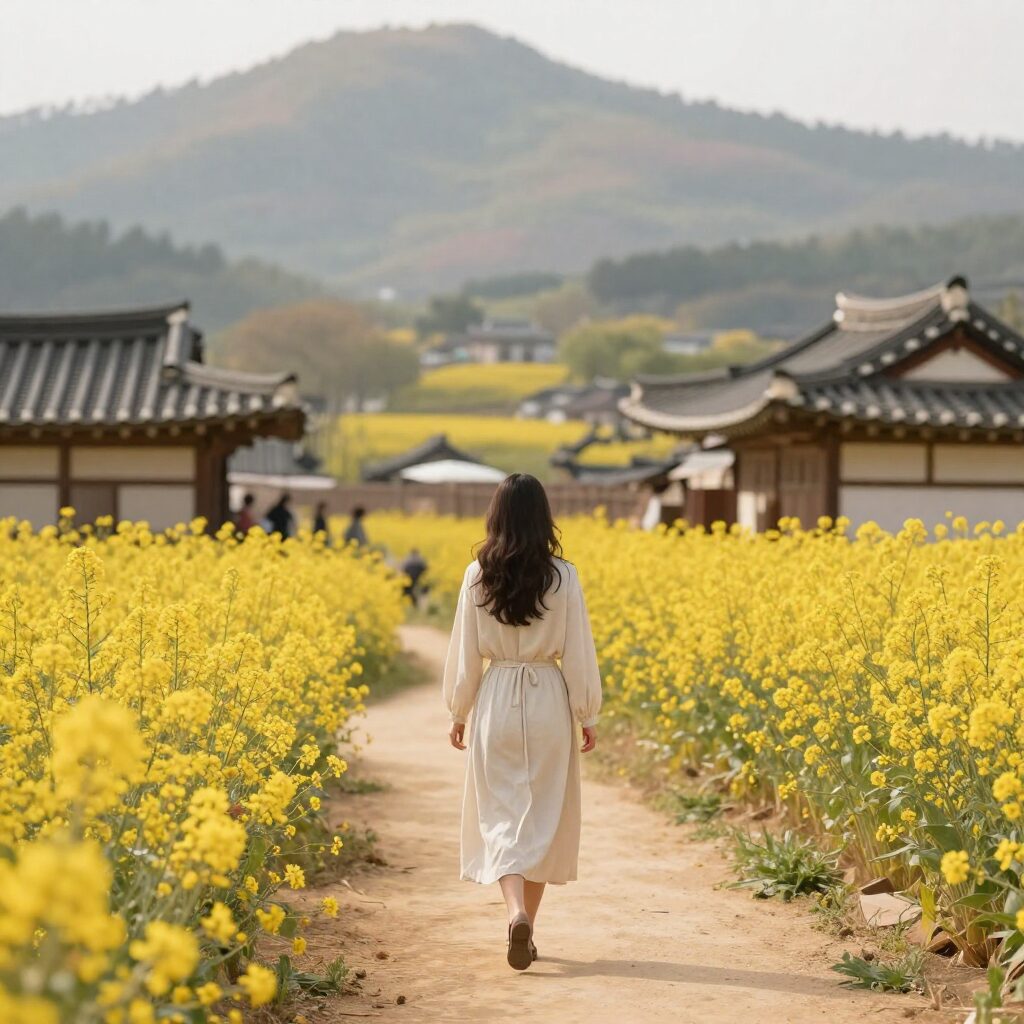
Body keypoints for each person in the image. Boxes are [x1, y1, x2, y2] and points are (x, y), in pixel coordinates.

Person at [442, 473, 601, 972]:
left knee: (501, 814)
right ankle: (526, 924)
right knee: (544, 816)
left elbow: (464, 654)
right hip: (549, 699)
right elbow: (578, 653)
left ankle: (515, 916)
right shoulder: (564, 576)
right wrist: (587, 712)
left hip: (496, 700)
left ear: (497, 516)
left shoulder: (476, 575)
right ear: (543, 518)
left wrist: (458, 710)